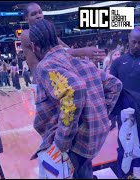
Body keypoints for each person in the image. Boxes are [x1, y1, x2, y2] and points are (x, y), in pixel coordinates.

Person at [29, 19, 122, 178]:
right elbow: (115, 84)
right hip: (92, 138)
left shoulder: (45, 65)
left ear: (34, 46)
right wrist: (97, 113)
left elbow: (75, 89)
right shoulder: (81, 62)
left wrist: (61, 143)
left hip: (73, 143)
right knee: (84, 170)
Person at [20, 2, 106, 84]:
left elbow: (66, 48)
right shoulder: (26, 34)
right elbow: (55, 52)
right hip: (41, 80)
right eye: (33, 14)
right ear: (26, 18)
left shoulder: (48, 32)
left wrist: (84, 58)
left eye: (40, 12)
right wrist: (84, 51)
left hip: (53, 78)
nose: (38, 16)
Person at [110, 26, 140, 179]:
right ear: (128, 41)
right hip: (126, 116)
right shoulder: (118, 63)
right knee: (124, 147)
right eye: (134, 42)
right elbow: (111, 91)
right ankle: (124, 176)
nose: (137, 46)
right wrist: (110, 116)